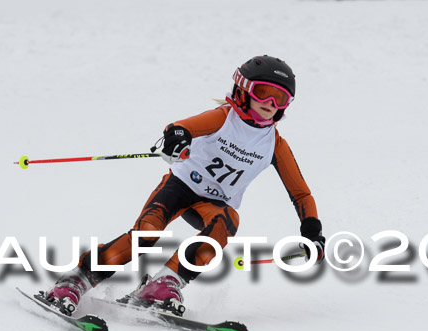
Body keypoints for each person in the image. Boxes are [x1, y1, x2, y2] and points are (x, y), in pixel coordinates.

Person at [43, 55, 326, 316]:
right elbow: (182, 127)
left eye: (281, 98)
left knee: (226, 223)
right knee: (147, 235)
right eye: (264, 93)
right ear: (244, 88)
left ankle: (165, 283)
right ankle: (76, 280)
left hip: (214, 203)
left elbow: (300, 192)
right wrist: (176, 137)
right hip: (179, 187)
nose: (271, 104)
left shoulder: (274, 144)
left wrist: (312, 232)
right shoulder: (224, 117)